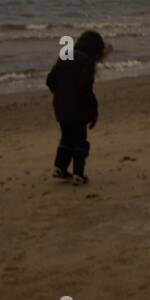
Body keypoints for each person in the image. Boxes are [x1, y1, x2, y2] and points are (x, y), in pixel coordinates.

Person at [46, 30, 107, 185]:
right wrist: (93, 110)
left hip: (60, 106)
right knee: (80, 140)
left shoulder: (66, 54)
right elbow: (85, 89)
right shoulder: (87, 61)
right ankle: (78, 174)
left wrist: (61, 94)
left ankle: (59, 168)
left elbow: (50, 80)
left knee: (66, 136)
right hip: (78, 107)